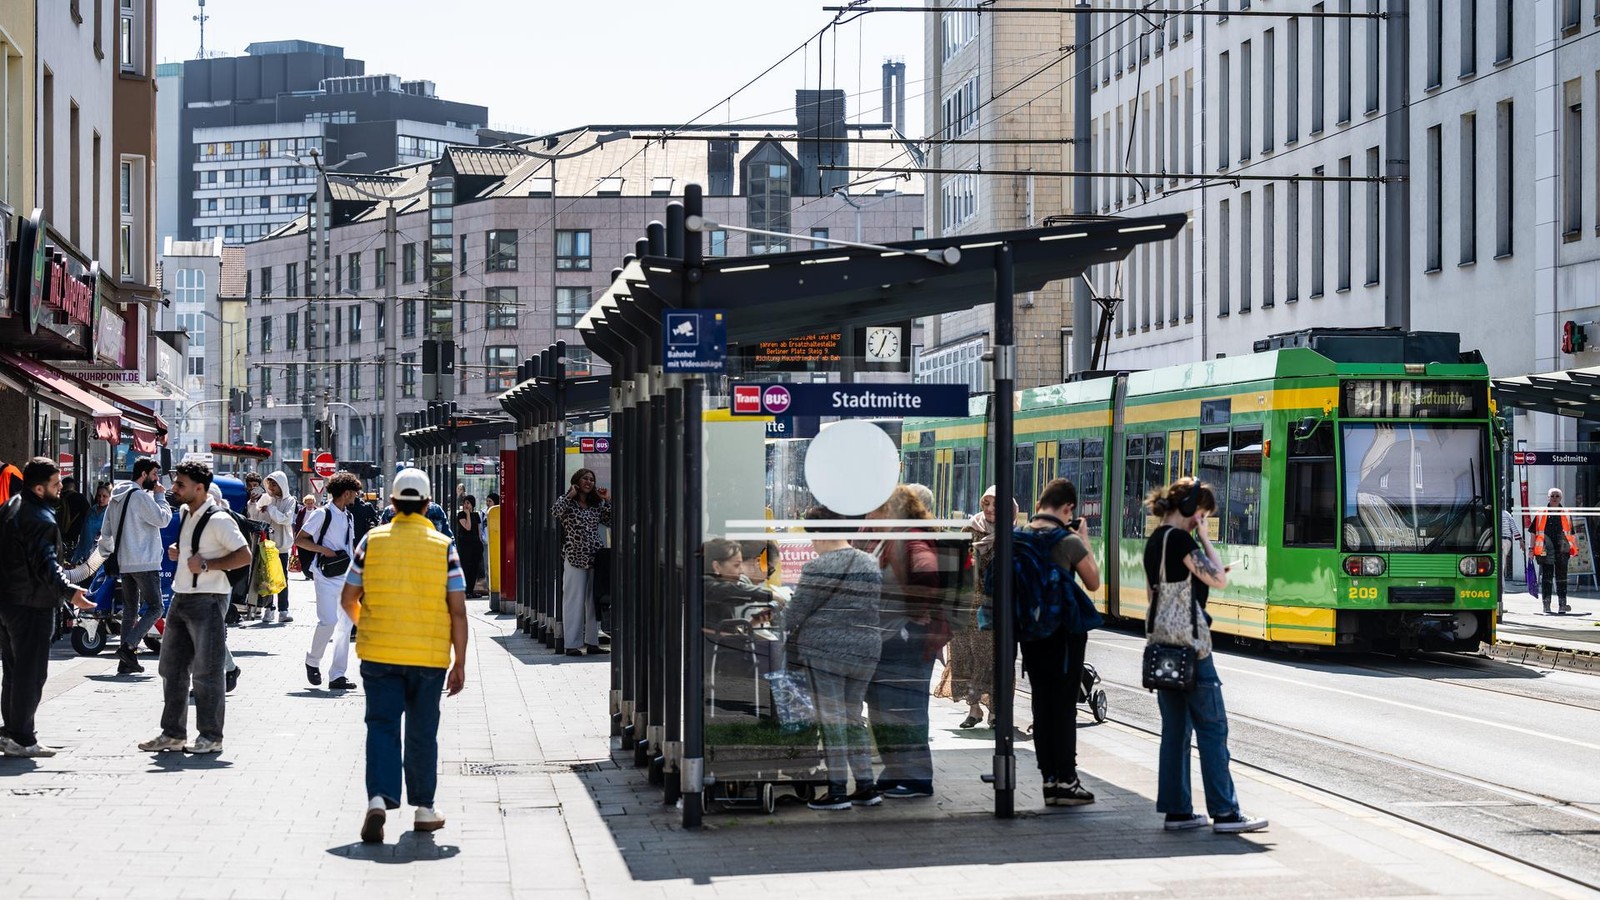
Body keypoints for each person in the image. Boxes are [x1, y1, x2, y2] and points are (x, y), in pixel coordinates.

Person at [340, 469, 468, 843]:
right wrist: (459, 661)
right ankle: (425, 809)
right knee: (422, 731)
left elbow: (348, 598)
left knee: (381, 725)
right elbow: (458, 610)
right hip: (429, 657)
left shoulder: (371, 541)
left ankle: (379, 798)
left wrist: (367, 626)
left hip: (379, 653)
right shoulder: (444, 546)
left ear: (392, 503)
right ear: (428, 505)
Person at [1144, 478, 1267, 834]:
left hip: (1163, 646)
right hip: (1192, 647)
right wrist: (1206, 538)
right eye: (1202, 512)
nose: (1203, 518)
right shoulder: (1181, 538)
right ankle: (1226, 812)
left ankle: (1178, 811)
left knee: (1175, 732)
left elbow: (1156, 594)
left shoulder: (1154, 541)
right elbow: (1218, 579)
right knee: (1213, 729)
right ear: (1190, 509)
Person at [136, 460, 250, 755]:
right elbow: (192, 550)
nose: (174, 489)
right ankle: (172, 734)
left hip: (208, 599)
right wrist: (179, 552)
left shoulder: (220, 519)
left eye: (180, 485)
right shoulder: (186, 512)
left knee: (207, 672)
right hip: (180, 596)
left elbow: (244, 555)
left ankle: (211, 737)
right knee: (171, 668)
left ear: (200, 488)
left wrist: (208, 564)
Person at [786, 506, 882, 810]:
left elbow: (796, 613)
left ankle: (837, 789)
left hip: (827, 650)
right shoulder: (870, 562)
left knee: (832, 720)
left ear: (817, 533)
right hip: (865, 648)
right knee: (853, 716)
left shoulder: (818, 567)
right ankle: (866, 786)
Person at [0, 458, 97, 757]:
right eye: (56, 485)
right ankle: (22, 738)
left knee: (14, 671)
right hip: (31, 605)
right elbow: (47, 565)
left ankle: (12, 733)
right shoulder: (40, 518)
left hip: (8, 604)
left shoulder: (10, 507)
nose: (61, 490)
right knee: (31, 673)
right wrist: (70, 592)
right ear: (39, 488)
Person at [1017, 479, 1100, 807]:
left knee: (1041, 703)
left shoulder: (1019, 536)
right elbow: (1092, 581)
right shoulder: (1067, 540)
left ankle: (1049, 778)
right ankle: (1067, 780)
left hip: (1030, 634)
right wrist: (1084, 540)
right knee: (1063, 707)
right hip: (1063, 637)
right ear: (1068, 508)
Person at [864, 485, 944, 800]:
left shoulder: (908, 537)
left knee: (906, 709)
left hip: (904, 639)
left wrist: (914, 610)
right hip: (889, 636)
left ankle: (915, 778)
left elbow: (928, 573)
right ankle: (896, 772)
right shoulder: (889, 536)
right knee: (885, 709)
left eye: (873, 509)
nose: (867, 515)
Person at [948, 486, 1016, 729]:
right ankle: (974, 710)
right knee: (966, 658)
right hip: (967, 606)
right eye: (986, 504)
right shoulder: (970, 528)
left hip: (993, 608)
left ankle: (995, 713)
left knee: (992, 660)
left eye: (995, 505)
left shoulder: (1012, 534)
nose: (989, 509)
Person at [101, 458, 173, 675]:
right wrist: (161, 496)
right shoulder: (141, 496)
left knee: (130, 610)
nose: (156, 479)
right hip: (145, 561)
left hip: (125, 561)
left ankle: (126, 663)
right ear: (143, 474)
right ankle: (128, 647)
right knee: (156, 607)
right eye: (154, 475)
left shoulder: (116, 497)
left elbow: (106, 530)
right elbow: (163, 519)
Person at [299, 472, 361, 690]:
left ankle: (337, 675)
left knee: (345, 625)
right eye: (354, 492)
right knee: (328, 622)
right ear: (346, 493)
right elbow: (301, 540)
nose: (356, 496)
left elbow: (349, 547)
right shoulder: (321, 514)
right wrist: (324, 549)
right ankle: (312, 661)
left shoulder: (348, 515)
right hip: (325, 575)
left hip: (345, 576)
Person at [551, 468, 611, 657]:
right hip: (574, 557)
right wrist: (570, 495)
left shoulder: (596, 504)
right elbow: (555, 511)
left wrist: (607, 499)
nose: (589, 482)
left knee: (593, 601)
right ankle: (572, 644)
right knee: (573, 601)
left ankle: (592, 642)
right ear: (577, 481)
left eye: (592, 479)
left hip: (595, 557)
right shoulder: (569, 503)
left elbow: (611, 520)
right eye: (585, 478)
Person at [252, 471, 297, 623]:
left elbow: (285, 519)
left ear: (282, 485)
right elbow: (254, 517)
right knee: (266, 577)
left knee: (282, 578)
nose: (271, 487)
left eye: (274, 484)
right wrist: (252, 503)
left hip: (281, 546)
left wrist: (270, 509)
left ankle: (283, 610)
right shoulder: (265, 498)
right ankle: (268, 609)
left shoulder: (290, 501)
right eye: (269, 483)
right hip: (265, 545)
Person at [1532, 487, 1579, 615]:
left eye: (1557, 496)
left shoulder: (1566, 513)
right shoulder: (1541, 513)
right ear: (1548, 497)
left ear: (1561, 498)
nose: (1554, 498)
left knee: (1562, 579)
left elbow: (1571, 533)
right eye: (1552, 496)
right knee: (1546, 578)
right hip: (1545, 550)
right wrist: (1531, 549)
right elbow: (1533, 532)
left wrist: (1574, 549)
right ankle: (1546, 605)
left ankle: (1562, 605)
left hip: (1562, 550)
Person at [72, 482, 111, 566]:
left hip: (101, 558)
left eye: (104, 496)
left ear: (110, 497)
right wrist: (75, 558)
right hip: (84, 555)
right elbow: (83, 535)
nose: (101, 499)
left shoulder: (111, 513)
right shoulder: (91, 510)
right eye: (99, 496)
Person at [54, 476, 90, 562]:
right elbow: (89, 516)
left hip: (58, 538)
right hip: (74, 538)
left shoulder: (56, 499)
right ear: (73, 486)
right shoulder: (80, 498)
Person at [455, 496, 484, 598]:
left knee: (474, 568)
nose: (466, 505)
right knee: (465, 567)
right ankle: (464, 591)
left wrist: (480, 543)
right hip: (465, 545)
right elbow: (468, 527)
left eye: (468, 503)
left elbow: (479, 531)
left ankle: (470, 591)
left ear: (472, 504)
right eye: (465, 503)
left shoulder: (476, 515)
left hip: (475, 545)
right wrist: (467, 514)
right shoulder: (461, 515)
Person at [294, 494, 318, 580]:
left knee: (313, 556)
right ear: (305, 503)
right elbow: (298, 524)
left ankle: (312, 573)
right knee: (303, 556)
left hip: (314, 537)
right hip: (303, 536)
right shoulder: (301, 511)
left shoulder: (317, 511)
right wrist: (296, 535)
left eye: (311, 503)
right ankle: (306, 573)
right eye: (308, 503)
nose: (310, 505)